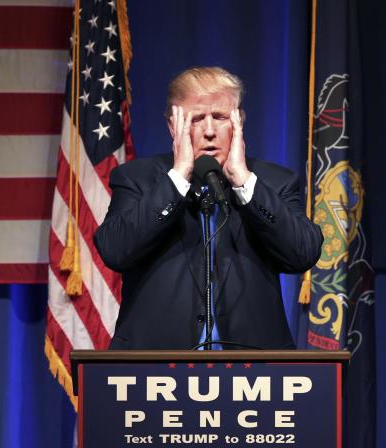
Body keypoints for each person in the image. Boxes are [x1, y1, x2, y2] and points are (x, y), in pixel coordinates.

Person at [94, 66, 323, 350]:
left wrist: (243, 183)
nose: (210, 131)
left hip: (255, 371)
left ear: (239, 122)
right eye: (196, 119)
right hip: (154, 368)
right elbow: (115, 249)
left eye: (220, 117)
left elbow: (303, 252)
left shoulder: (274, 182)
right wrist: (178, 178)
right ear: (172, 126)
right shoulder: (137, 179)